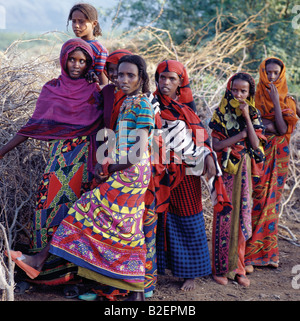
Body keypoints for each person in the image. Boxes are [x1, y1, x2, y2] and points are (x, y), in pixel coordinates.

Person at [7, 55, 155, 302]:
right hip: (122, 169)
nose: (124, 79)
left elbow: (138, 151)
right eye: (120, 74)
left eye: (131, 75)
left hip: (131, 173)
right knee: (127, 228)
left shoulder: (142, 105)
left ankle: (38, 259)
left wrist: (111, 168)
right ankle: (136, 293)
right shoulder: (129, 102)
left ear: (142, 77)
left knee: (83, 210)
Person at [1, 39, 103, 295]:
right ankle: (43, 276)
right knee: (46, 212)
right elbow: (32, 125)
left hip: (84, 162)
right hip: (57, 163)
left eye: (82, 61)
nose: (77, 65)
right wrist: (2, 150)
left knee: (75, 216)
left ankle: (72, 278)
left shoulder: (94, 91)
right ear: (63, 59)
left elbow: (107, 123)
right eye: (72, 59)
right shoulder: (51, 89)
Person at [153, 60, 231, 291]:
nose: (166, 83)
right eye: (162, 77)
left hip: (186, 174)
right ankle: (155, 269)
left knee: (188, 217)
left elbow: (201, 140)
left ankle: (190, 273)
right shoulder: (149, 104)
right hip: (158, 172)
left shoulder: (186, 111)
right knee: (157, 219)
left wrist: (207, 154)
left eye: (172, 79)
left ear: (180, 83)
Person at [209, 72, 266, 287]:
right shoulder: (220, 113)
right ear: (229, 90)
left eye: (243, 91)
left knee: (242, 217)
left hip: (244, 170)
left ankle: (239, 268)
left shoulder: (253, 113)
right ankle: (220, 268)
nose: (239, 95)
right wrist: (239, 136)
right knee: (224, 216)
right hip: (225, 169)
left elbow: (257, 146)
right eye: (235, 90)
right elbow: (216, 145)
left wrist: (247, 120)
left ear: (250, 93)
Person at [245, 58, 298, 270]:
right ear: (262, 73)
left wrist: (276, 102)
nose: (272, 77)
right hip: (259, 154)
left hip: (280, 157)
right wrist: (270, 125)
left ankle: (269, 255)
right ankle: (249, 255)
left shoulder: (288, 101)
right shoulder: (253, 96)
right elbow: (256, 124)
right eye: (268, 73)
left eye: (276, 73)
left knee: (273, 204)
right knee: (256, 199)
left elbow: (282, 129)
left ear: (282, 74)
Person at [67, 3, 108, 86]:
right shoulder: (73, 45)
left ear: (94, 24)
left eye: (81, 21)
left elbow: (103, 81)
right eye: (74, 21)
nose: (76, 25)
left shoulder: (99, 50)